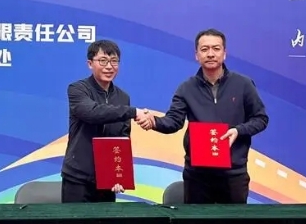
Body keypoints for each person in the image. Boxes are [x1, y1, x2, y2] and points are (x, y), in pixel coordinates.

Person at [136, 28, 268, 204]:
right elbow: (173, 121)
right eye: (204, 49)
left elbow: (260, 119)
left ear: (224, 53)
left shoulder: (243, 84)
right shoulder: (186, 88)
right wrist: (154, 121)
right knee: (196, 222)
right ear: (196, 55)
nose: (210, 54)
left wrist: (238, 130)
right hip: (197, 176)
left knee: (233, 222)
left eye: (216, 48)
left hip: (233, 174)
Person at [61, 39, 150, 203]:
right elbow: (92, 113)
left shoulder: (123, 97)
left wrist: (119, 175)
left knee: (106, 220)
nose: (109, 66)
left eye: (114, 61)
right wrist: (133, 112)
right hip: (78, 178)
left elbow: (123, 138)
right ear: (90, 64)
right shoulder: (78, 89)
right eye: (103, 61)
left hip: (108, 180)